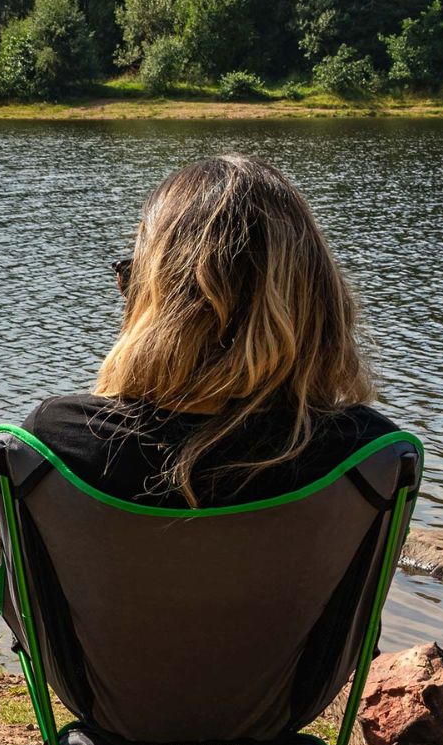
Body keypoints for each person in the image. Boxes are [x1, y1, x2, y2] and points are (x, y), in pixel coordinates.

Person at [24, 154, 398, 509]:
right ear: (320, 299)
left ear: (162, 306)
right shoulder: (370, 455)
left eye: (134, 278)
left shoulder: (59, 441)